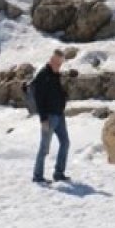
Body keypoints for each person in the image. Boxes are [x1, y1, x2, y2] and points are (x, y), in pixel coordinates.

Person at [31, 49, 70, 183]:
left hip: (59, 115)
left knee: (65, 142)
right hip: (49, 116)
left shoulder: (55, 75)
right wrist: (43, 119)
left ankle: (59, 173)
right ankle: (38, 176)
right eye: (57, 63)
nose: (58, 66)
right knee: (44, 147)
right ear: (51, 60)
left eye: (60, 64)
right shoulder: (43, 76)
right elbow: (38, 99)